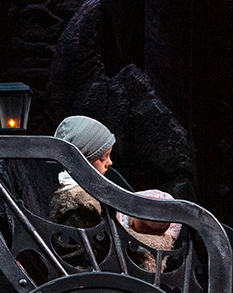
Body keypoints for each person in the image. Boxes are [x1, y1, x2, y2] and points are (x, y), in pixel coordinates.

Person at [49, 114, 180, 272]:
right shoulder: (81, 199)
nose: (109, 163)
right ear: (83, 160)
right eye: (103, 158)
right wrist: (162, 240)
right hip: (94, 268)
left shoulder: (83, 192)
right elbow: (108, 242)